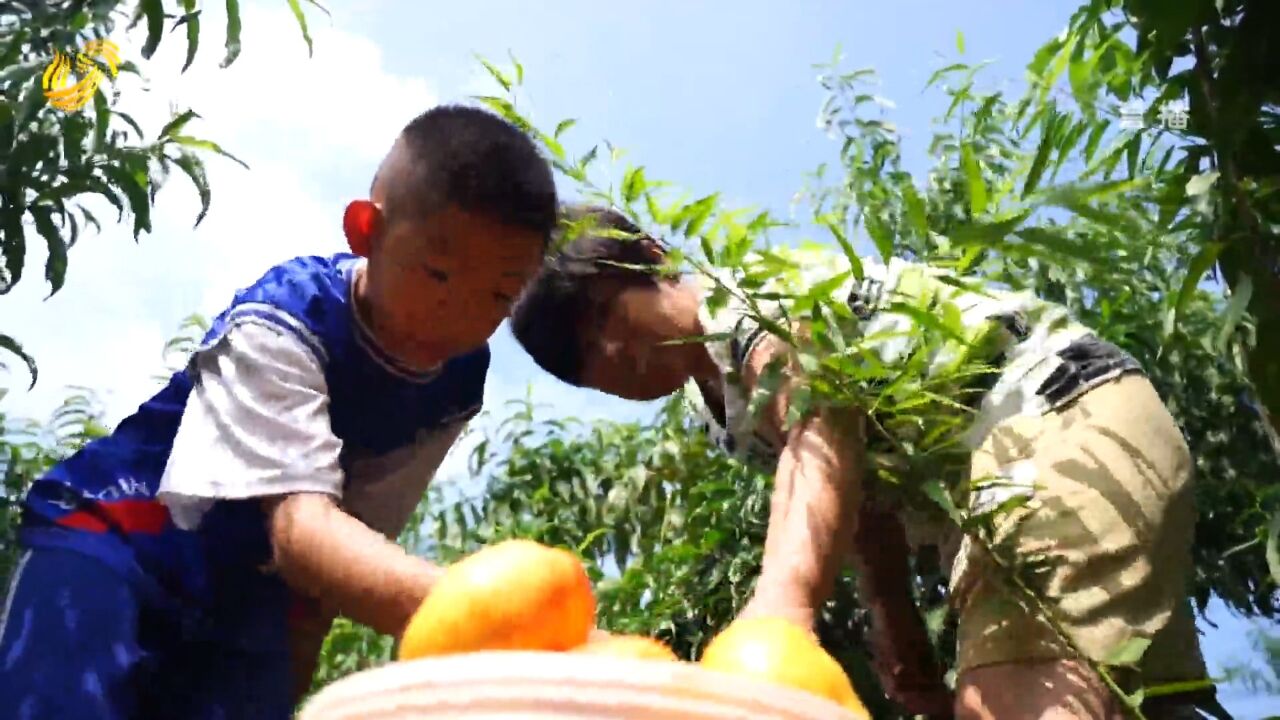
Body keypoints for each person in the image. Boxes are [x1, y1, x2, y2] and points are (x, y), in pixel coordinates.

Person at [508, 205, 1218, 719]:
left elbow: (819, 418)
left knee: (1008, 705)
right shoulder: (719, 411)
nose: (608, 356)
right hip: (1019, 474)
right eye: (582, 363)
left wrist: (780, 609)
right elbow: (856, 500)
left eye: (602, 317)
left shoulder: (743, 299)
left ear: (655, 258)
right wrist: (901, 638)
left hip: (1051, 424)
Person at [0, 105, 558, 720]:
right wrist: (510, 626)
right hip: (117, 543)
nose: (458, 314)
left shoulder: (456, 378)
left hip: (245, 600)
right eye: (438, 273)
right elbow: (304, 533)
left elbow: (345, 549)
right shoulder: (283, 323)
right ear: (365, 230)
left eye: (500, 294)